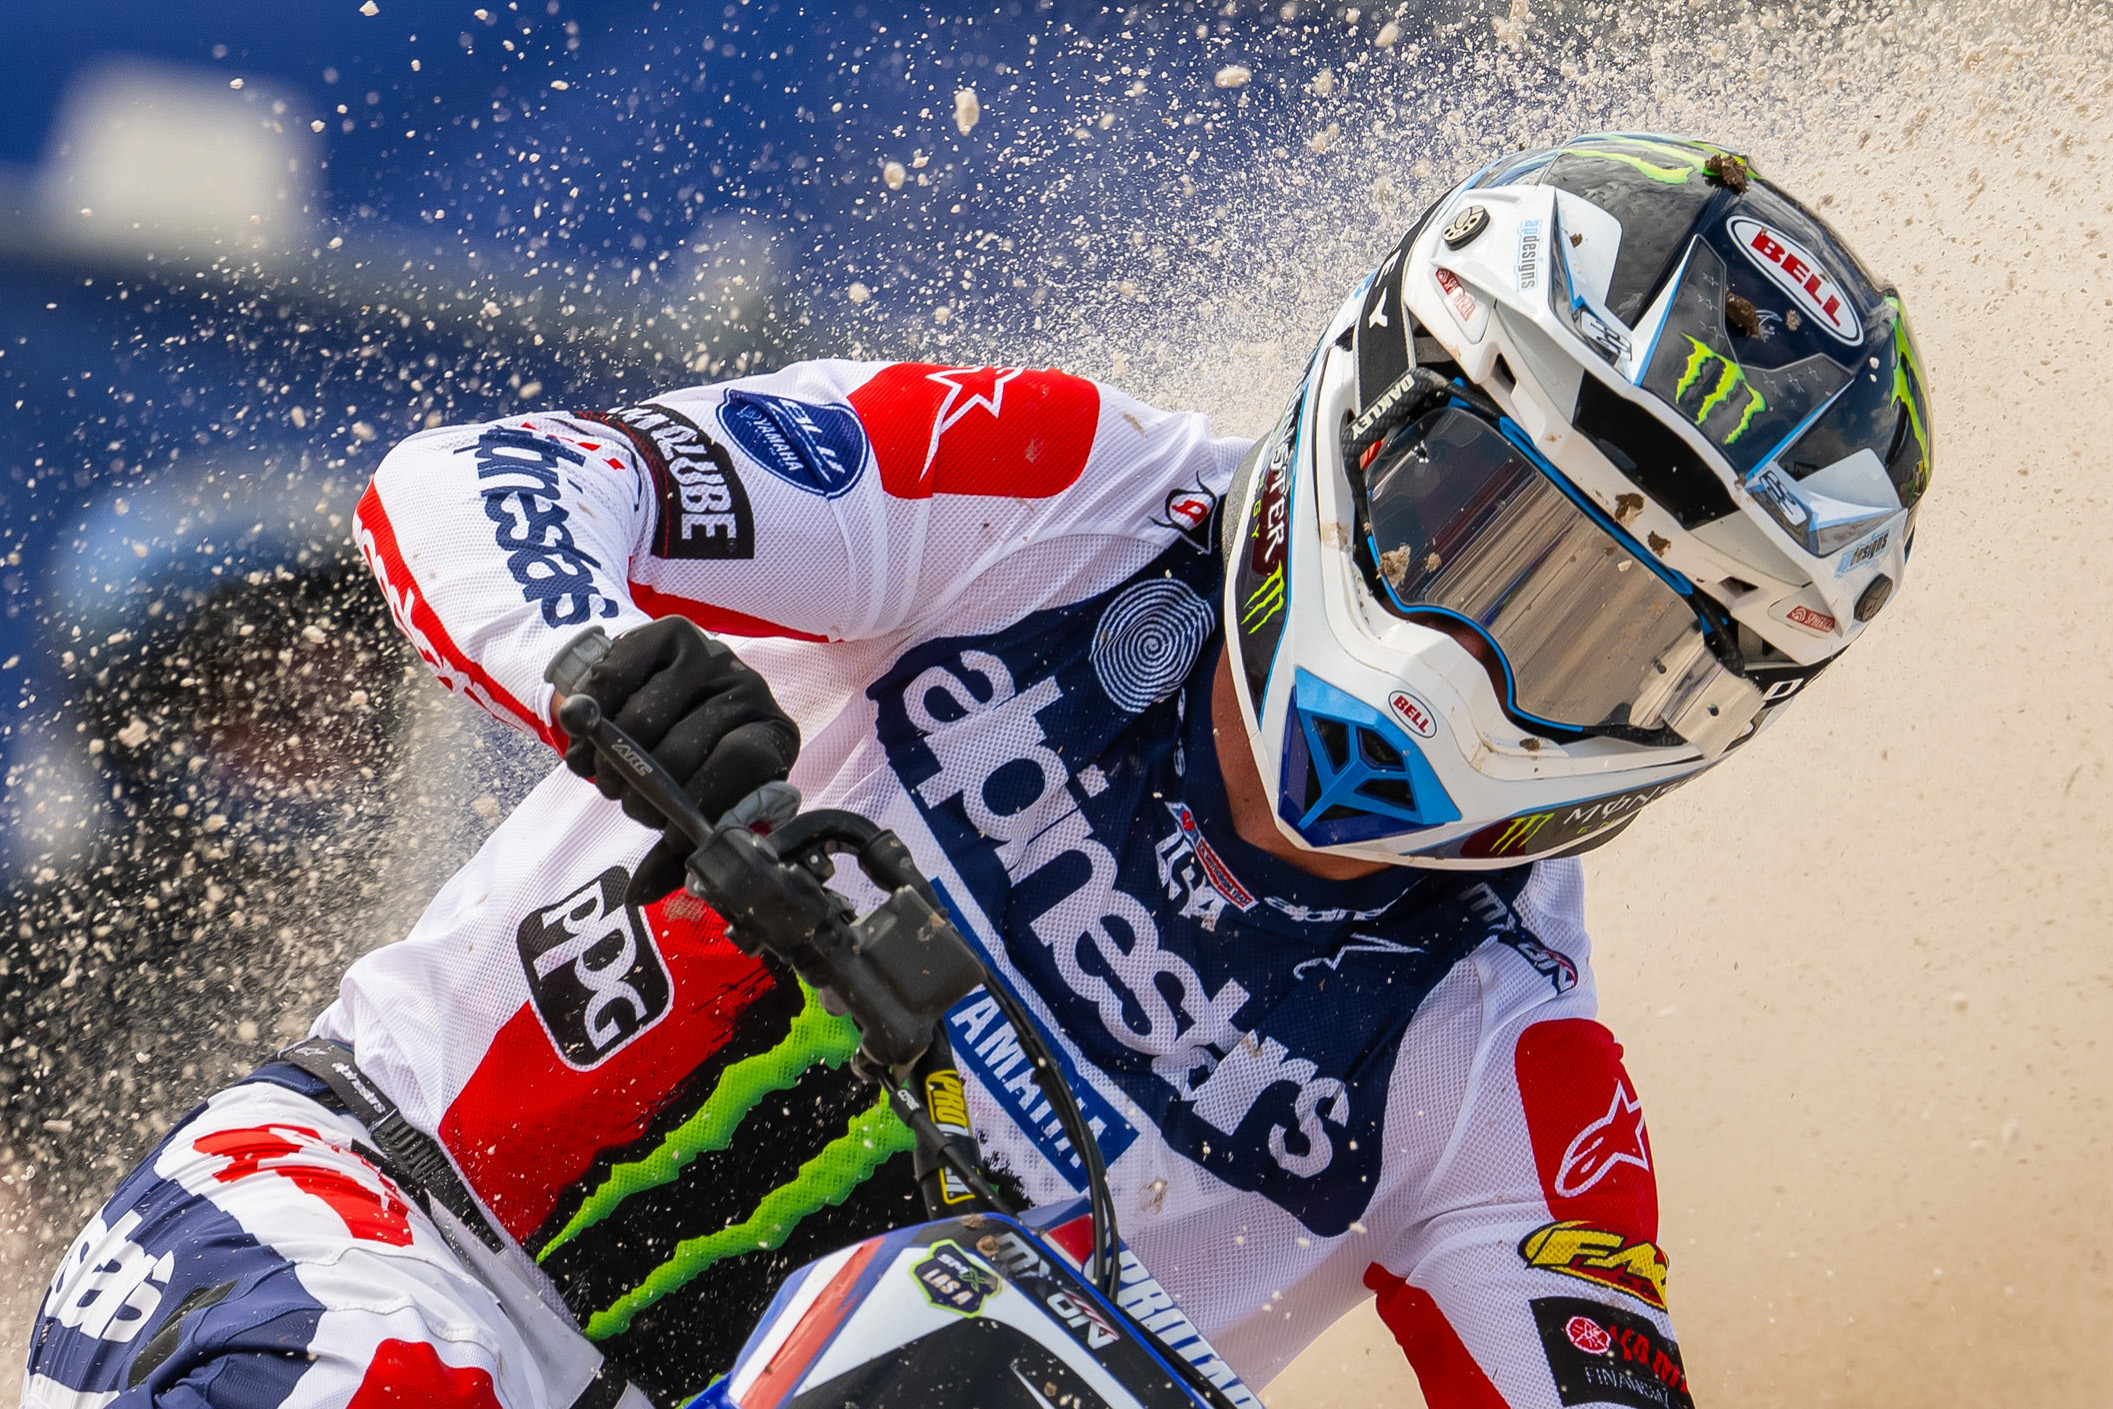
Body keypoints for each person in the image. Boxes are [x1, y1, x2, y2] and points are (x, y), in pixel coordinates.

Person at [24, 133, 1931, 1409]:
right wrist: (600, 659)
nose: (1484, 646)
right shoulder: (1067, 491)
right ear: (1377, 404)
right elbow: (480, 483)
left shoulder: (1510, 1076)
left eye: (1612, 629)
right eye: (1469, 514)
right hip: (363, 1216)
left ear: (1711, 706)